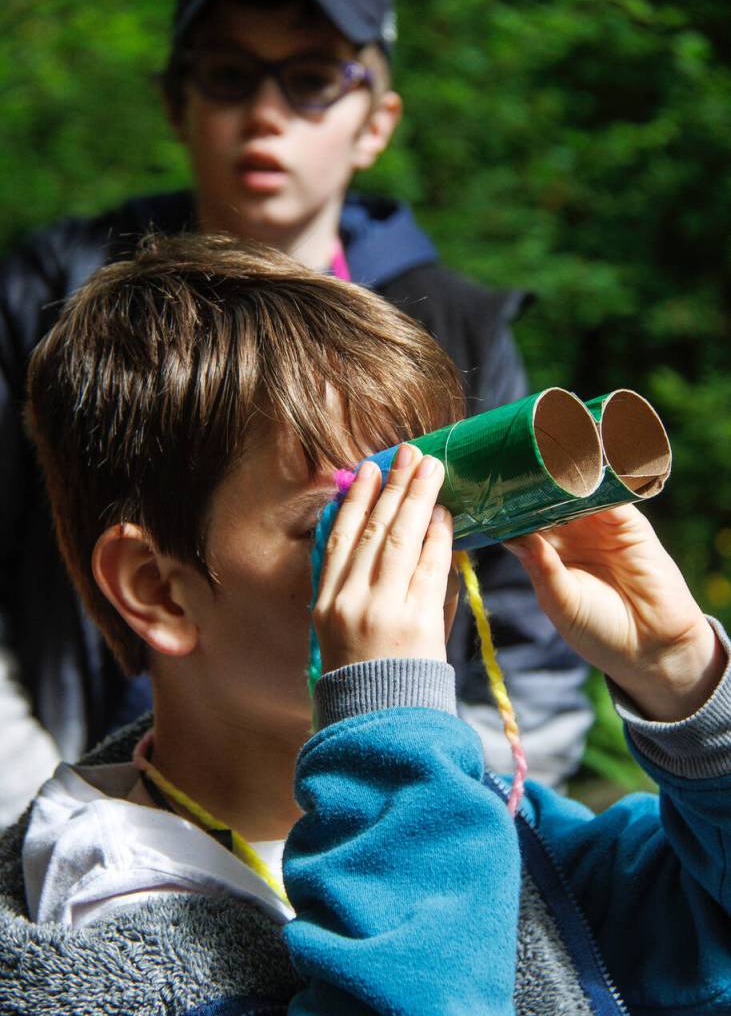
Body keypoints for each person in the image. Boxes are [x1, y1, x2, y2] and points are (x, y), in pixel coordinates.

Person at [2, 234, 730, 1015]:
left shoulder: (486, 828)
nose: (423, 554)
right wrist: (391, 737)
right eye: (347, 518)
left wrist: (683, 683)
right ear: (160, 590)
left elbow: (705, 941)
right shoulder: (103, 922)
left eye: (433, 507)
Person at [0, 0, 589, 823]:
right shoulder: (49, 301)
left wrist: (436, 809)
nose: (267, 113)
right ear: (178, 100)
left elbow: (524, 593)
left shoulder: (453, 326)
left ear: (376, 121)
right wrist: (30, 809)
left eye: (311, 80)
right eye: (230, 75)